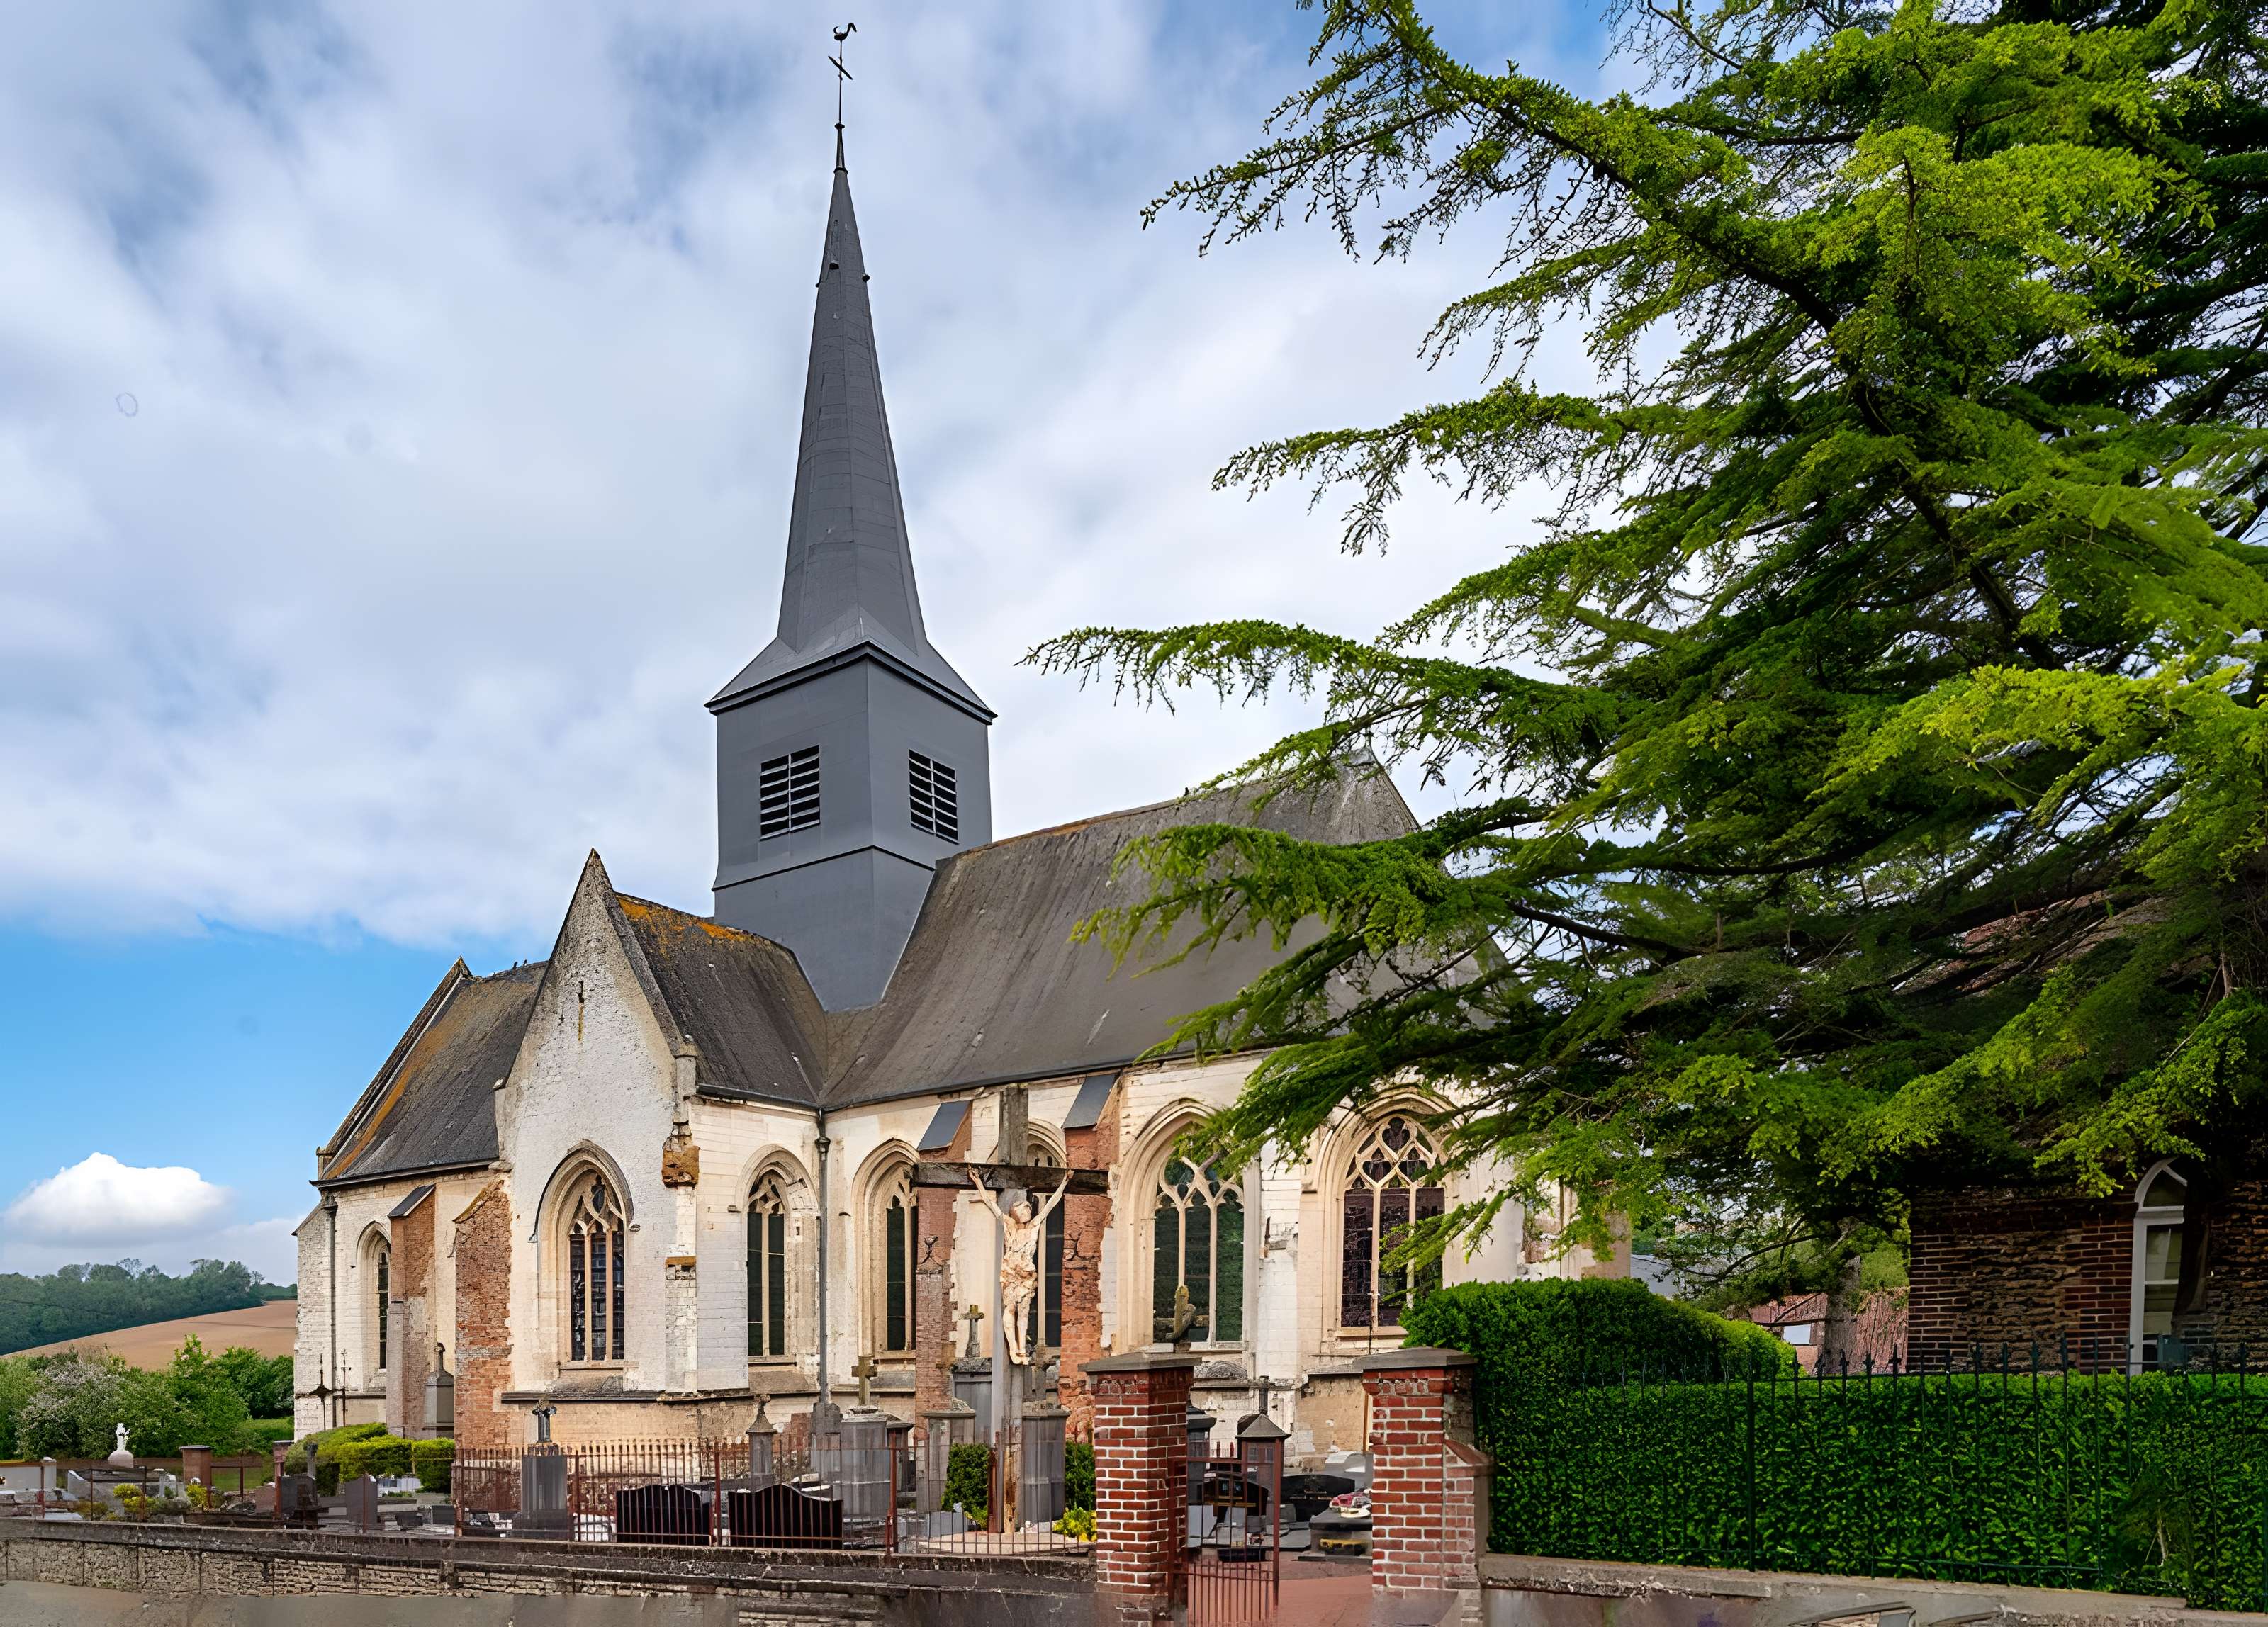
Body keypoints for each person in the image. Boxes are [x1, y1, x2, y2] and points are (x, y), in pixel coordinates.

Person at [968, 1171, 1069, 1366]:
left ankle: (1022, 1350)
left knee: (1024, 1313)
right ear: (1016, 1213)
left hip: (1026, 1275)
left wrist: (1063, 1184)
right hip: (1011, 1273)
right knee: (1010, 1309)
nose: (1027, 1212)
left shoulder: (1034, 1227)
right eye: (1024, 1210)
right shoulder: (1008, 1226)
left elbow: (1050, 1206)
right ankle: (1013, 1349)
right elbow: (992, 1206)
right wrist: (979, 1183)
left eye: (1028, 1210)